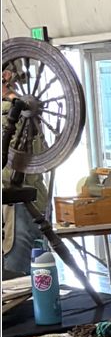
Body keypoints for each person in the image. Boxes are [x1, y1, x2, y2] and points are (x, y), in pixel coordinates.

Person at [2, 68, 48, 275]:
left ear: (8, 75)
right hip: (15, 204)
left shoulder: (15, 113)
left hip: (20, 206)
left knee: (18, 277)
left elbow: (25, 164)